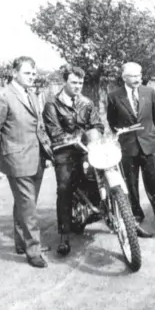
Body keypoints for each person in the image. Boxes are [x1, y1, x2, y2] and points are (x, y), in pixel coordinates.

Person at [0, 56, 53, 268]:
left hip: (37, 158)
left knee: (24, 204)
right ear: (14, 73)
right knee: (28, 207)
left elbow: (36, 125)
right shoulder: (2, 96)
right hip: (17, 160)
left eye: (33, 73)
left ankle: (22, 243)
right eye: (27, 73)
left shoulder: (32, 93)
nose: (32, 77)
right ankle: (33, 251)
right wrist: (7, 151)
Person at [106, 61, 155, 234]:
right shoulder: (114, 96)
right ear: (124, 77)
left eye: (139, 75)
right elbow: (112, 121)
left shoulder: (149, 92)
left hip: (149, 143)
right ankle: (136, 214)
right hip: (128, 146)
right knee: (131, 182)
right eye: (133, 76)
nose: (137, 79)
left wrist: (148, 134)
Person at [42, 66, 104, 256]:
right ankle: (64, 236)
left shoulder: (87, 102)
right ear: (65, 82)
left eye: (80, 83)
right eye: (73, 82)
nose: (77, 86)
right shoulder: (52, 103)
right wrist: (73, 140)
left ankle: (108, 212)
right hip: (65, 151)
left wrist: (95, 135)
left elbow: (97, 124)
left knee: (102, 173)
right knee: (64, 187)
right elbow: (54, 132)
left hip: (86, 149)